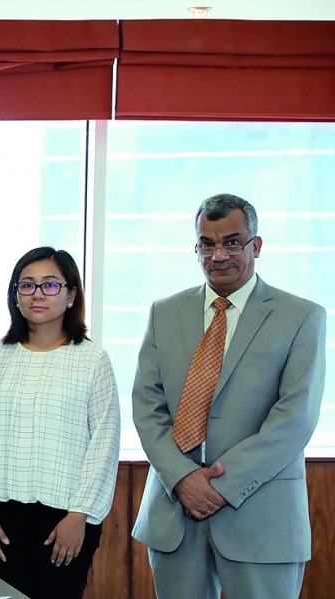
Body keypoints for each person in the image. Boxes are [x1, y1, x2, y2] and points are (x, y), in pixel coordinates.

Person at [131, 193, 326, 599]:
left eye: (232, 242)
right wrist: (183, 478)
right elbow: (147, 406)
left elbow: (295, 417)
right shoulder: (164, 312)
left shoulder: (301, 316)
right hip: (175, 513)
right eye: (207, 243)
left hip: (261, 518)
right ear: (196, 247)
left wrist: (220, 486)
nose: (218, 255)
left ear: (256, 245)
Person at [0, 247, 120, 599]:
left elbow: (104, 445)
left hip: (66, 517)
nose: (37, 294)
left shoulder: (92, 360)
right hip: (2, 517)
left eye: (50, 285)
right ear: (15, 295)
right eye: (27, 286)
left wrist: (80, 516)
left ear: (71, 293)